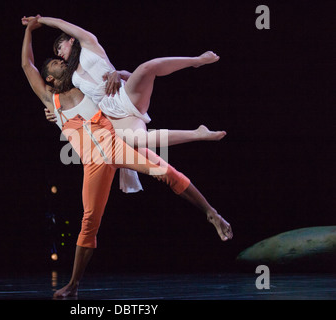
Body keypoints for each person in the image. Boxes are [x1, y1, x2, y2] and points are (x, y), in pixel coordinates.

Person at [21, 18, 233, 298]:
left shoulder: (84, 89)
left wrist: (117, 74)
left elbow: (111, 89)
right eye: (57, 64)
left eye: (62, 60)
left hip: (117, 144)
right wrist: (29, 30)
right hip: (94, 162)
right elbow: (27, 65)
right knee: (89, 221)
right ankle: (73, 285)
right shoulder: (52, 102)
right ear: (49, 78)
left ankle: (212, 213)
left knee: (167, 172)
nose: (62, 63)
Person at [22, 15, 226, 193]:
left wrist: (37, 21)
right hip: (114, 113)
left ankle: (196, 60)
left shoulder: (90, 44)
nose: (59, 53)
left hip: (126, 95)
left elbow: (60, 23)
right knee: (140, 140)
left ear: (71, 39)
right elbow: (58, 96)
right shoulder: (73, 78)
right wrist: (52, 113)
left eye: (60, 47)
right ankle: (198, 133)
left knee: (148, 68)